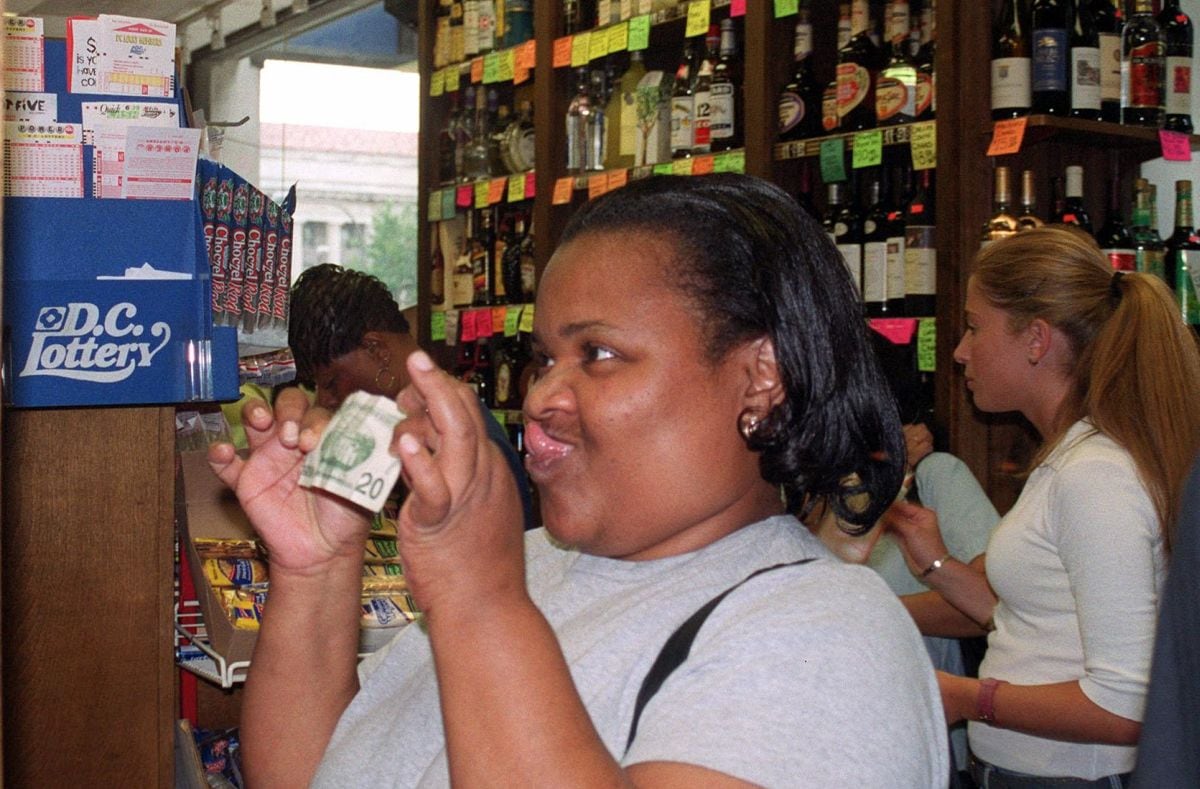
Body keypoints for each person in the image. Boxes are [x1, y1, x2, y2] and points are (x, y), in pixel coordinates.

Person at [208, 174, 949, 787]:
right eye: (544, 358)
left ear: (759, 377)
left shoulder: (826, 633)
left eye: (597, 354)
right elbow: (317, 775)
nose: (539, 398)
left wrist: (479, 597)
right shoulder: (536, 566)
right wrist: (317, 568)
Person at [883, 226, 1200, 787]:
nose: (959, 351)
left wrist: (963, 696)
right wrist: (936, 564)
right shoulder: (1071, 460)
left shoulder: (1094, 476)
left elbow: (1126, 706)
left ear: (1035, 340)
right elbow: (1037, 623)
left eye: (976, 327)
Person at [286, 262, 534, 530]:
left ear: (376, 349)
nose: (325, 401)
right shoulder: (412, 424)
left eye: (332, 383)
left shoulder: (457, 439)